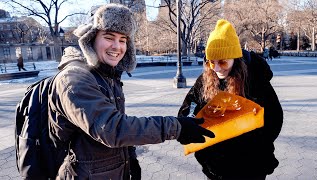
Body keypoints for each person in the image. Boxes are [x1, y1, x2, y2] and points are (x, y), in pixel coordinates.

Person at [48, 4, 215, 180]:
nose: (117, 46)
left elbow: (123, 127)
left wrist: (130, 159)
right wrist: (177, 127)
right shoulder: (74, 78)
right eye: (109, 37)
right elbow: (112, 129)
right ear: (91, 38)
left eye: (123, 40)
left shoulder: (108, 76)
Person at [178, 19, 283, 180]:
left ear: (235, 58)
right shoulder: (206, 78)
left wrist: (254, 145)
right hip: (214, 167)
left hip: (250, 166)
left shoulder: (255, 79)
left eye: (223, 62)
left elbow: (274, 119)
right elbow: (190, 105)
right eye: (212, 63)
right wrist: (188, 123)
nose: (217, 68)